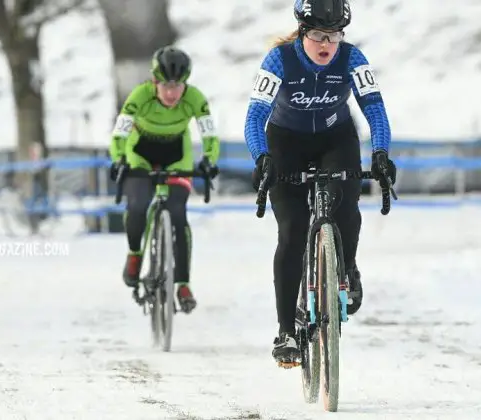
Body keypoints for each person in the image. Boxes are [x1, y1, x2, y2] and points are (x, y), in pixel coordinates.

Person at [244, 0, 397, 365]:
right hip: (285, 143)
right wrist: (262, 158)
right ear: (302, 32)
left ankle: (347, 268)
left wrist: (380, 153)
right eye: (317, 35)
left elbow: (374, 108)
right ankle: (285, 331)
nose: (326, 43)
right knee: (293, 230)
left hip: (335, 138)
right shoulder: (279, 60)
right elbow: (255, 117)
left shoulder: (352, 57)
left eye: (334, 35)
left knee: (345, 203)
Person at [109, 46, 220, 314]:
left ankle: (182, 283)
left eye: (178, 86)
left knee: (178, 215)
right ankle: (135, 254)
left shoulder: (195, 98)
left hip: (176, 156)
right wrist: (119, 159)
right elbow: (120, 133)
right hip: (141, 154)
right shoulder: (139, 96)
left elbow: (209, 134)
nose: (172, 93)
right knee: (137, 206)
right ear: (155, 82)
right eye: (166, 86)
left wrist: (208, 159)